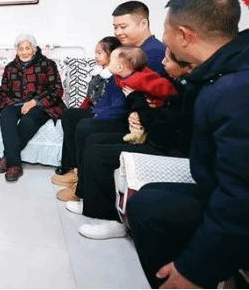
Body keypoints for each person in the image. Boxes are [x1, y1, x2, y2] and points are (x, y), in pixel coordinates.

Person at [127, 0, 249, 289]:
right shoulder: (225, 68)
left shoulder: (236, 91)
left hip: (236, 204)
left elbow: (241, 195)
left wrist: (193, 269)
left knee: (149, 209)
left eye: (166, 29)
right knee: (148, 197)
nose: (163, 39)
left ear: (184, 35)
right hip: (216, 184)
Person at [65, 48, 195, 240]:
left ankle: (111, 220)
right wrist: (137, 114)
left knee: (98, 154)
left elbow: (163, 130)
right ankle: (89, 200)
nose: (162, 63)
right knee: (92, 141)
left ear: (187, 66)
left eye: (168, 60)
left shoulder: (180, 90)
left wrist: (139, 107)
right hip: (153, 134)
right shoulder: (176, 83)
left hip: (165, 146)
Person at [56, 1, 167, 201]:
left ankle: (83, 185)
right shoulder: (130, 49)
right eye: (115, 27)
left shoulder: (151, 52)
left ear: (143, 24)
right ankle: (76, 171)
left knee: (85, 127)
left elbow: (137, 95)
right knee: (71, 115)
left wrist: (101, 114)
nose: (118, 32)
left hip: (129, 117)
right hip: (117, 109)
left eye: (123, 26)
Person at [0, 34, 64, 182]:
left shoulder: (47, 64)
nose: (24, 52)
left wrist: (34, 102)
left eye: (28, 48)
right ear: (16, 50)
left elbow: (57, 90)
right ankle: (14, 163)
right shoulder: (10, 68)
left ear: (34, 49)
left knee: (29, 120)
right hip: (16, 103)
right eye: (21, 49)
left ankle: (10, 161)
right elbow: (3, 92)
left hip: (41, 105)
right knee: (6, 116)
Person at [52, 36, 121, 186]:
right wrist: (80, 111)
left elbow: (108, 104)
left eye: (99, 53)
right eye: (95, 53)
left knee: (71, 117)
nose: (96, 56)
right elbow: (89, 97)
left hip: (103, 114)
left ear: (111, 54)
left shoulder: (114, 75)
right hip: (93, 110)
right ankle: (70, 166)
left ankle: (74, 166)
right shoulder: (98, 72)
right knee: (70, 116)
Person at [109, 46, 177, 144]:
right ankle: (137, 134)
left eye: (110, 61)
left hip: (156, 104)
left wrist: (169, 95)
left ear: (119, 68)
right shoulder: (121, 77)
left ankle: (138, 136)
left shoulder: (140, 79)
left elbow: (161, 84)